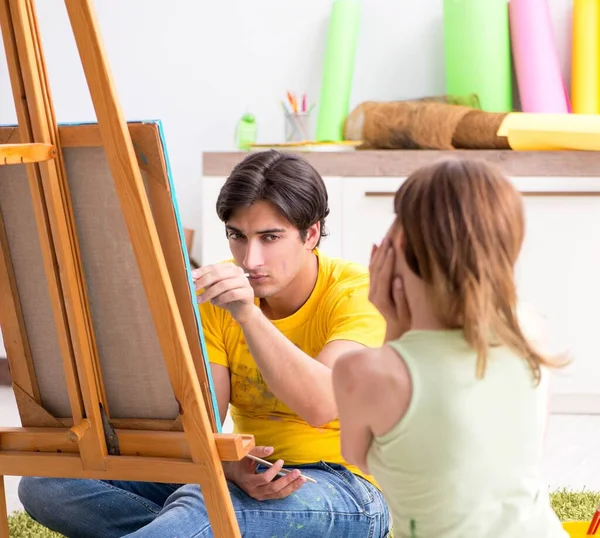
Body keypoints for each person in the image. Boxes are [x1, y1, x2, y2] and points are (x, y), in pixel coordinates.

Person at [18, 150, 392, 537]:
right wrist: (228, 467)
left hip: (343, 486)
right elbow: (203, 420)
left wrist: (248, 315)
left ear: (310, 233)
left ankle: (193, 525)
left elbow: (321, 405)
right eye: (237, 236)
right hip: (244, 471)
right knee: (48, 482)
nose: (251, 259)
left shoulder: (357, 293)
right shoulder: (221, 291)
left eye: (270, 237)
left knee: (207, 506)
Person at [331, 158, 568, 538]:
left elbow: (370, 461)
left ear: (400, 243)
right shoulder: (530, 331)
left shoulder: (361, 372)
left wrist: (392, 328)